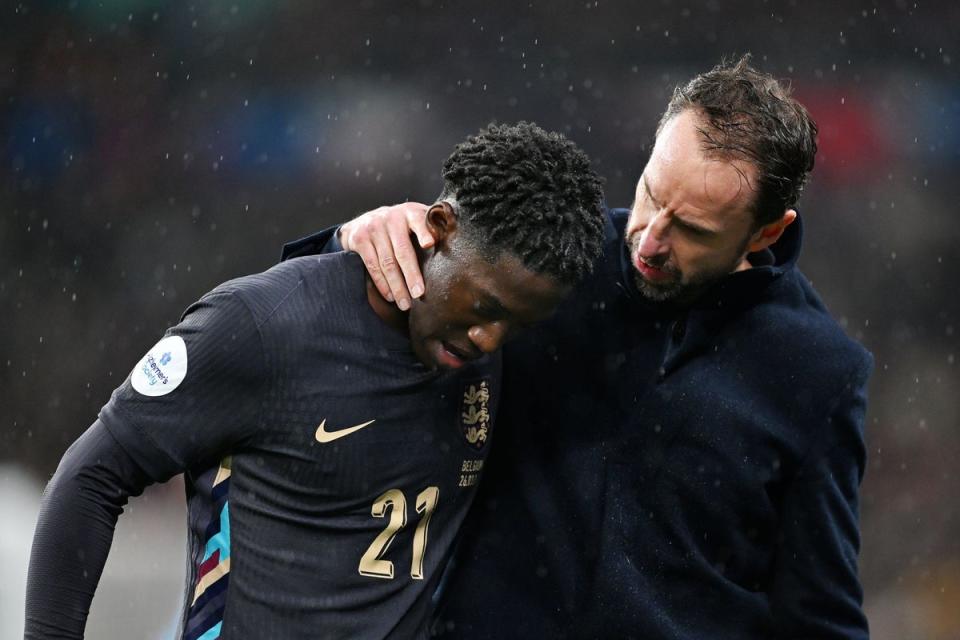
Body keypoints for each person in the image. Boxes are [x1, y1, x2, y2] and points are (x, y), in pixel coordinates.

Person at [282, 57, 873, 638]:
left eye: (693, 230)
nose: (650, 239)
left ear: (767, 231)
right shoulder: (549, 266)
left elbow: (818, 612)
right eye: (650, 193)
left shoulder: (817, 373)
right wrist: (348, 243)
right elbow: (325, 324)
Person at [24, 122, 606, 640]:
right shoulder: (262, 326)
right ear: (439, 226)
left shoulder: (484, 353)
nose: (489, 339)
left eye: (516, 324)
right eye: (483, 305)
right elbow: (91, 478)